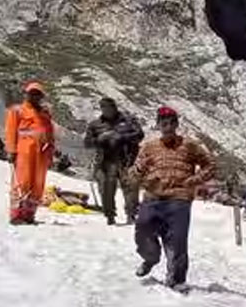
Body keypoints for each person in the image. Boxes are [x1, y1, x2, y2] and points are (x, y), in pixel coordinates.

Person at [131, 106, 215, 290]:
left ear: (176, 124)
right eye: (163, 123)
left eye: (171, 123)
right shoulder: (149, 147)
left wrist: (194, 180)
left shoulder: (190, 145)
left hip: (179, 198)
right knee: (142, 229)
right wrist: (141, 171)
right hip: (153, 197)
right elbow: (134, 174)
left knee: (177, 240)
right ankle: (151, 258)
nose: (167, 127)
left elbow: (210, 165)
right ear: (158, 125)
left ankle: (176, 279)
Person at [82, 97, 143, 225]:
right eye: (103, 107)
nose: (106, 110)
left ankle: (131, 215)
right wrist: (100, 139)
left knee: (130, 187)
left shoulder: (128, 120)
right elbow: (87, 143)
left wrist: (121, 137)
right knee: (106, 188)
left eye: (109, 107)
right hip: (105, 161)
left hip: (126, 159)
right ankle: (110, 215)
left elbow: (139, 135)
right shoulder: (95, 124)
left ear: (114, 107)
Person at [4, 81, 56, 225]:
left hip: (42, 153)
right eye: (31, 93)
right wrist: (11, 151)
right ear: (26, 94)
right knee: (23, 181)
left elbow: (50, 133)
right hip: (24, 151)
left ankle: (29, 215)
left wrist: (51, 151)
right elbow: (10, 131)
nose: (34, 96)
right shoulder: (17, 111)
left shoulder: (45, 113)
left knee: (38, 183)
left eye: (37, 94)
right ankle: (16, 215)